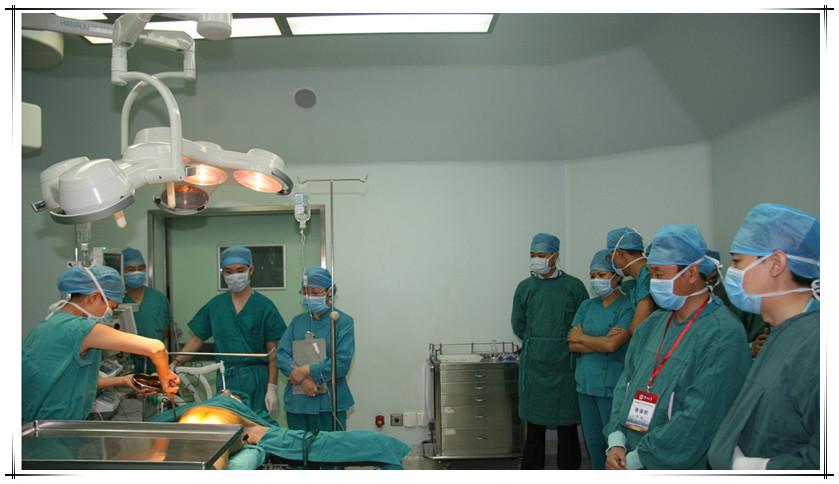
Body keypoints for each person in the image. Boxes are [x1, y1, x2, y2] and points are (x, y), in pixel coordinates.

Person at [603, 224, 751, 470]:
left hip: (679, 464)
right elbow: (625, 383)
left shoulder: (722, 334)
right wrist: (617, 439)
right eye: (651, 274)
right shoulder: (653, 325)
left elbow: (700, 419)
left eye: (660, 274)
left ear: (692, 273)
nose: (654, 283)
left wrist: (640, 458)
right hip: (630, 450)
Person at [708, 203, 819, 470]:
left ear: (776, 264)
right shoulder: (783, 332)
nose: (732, 272)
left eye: (737, 262)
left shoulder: (816, 346)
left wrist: (758, 468)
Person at [22, 265, 179, 422]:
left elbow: (73, 382)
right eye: (111, 308)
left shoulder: (53, 323)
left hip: (45, 422)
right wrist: (165, 377)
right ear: (94, 297)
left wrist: (124, 380)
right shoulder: (78, 328)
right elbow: (156, 348)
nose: (110, 315)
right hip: (50, 425)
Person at [175, 246, 286, 415]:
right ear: (223, 273)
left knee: (256, 424)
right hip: (226, 377)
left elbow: (273, 352)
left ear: (251, 270)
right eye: (228, 271)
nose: (234, 276)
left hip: (257, 380)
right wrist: (175, 363)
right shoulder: (216, 305)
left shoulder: (264, 306)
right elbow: (196, 339)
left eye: (240, 270)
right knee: (228, 421)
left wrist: (272, 387)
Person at [512, 233, 589, 469]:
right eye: (533, 254)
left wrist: (558, 342)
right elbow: (518, 324)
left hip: (565, 367)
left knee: (567, 428)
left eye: (542, 254)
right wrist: (539, 341)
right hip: (534, 368)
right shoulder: (525, 288)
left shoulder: (574, 287)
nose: (537, 259)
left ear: (555, 256)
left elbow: (583, 323)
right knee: (534, 430)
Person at [567, 249, 634, 470]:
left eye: (602, 275)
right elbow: (572, 344)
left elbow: (612, 345)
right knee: (593, 442)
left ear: (616, 276)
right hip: (585, 384)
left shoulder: (627, 307)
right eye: (593, 275)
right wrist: (602, 342)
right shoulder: (587, 306)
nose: (596, 280)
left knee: (613, 443)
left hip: (612, 387)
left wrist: (584, 338)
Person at [277, 266, 355, 432]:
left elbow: (341, 364)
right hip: (298, 404)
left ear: (329, 292)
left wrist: (307, 370)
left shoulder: (343, 323)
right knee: (298, 447)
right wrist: (301, 379)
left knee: (330, 446)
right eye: (305, 292)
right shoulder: (297, 322)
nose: (309, 297)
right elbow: (282, 354)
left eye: (315, 292)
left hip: (329, 404)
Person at [705, 249, 768, 356]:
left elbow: (760, 344)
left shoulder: (743, 300)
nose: (731, 268)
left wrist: (750, 348)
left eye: (737, 261)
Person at [121, 246, 173, 374]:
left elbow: (165, 330)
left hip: (154, 360)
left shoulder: (158, 298)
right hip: (125, 361)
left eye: (141, 268)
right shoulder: (117, 299)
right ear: (121, 271)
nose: (137, 272)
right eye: (131, 269)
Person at [606, 227, 656, 334]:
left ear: (619, 254)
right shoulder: (636, 281)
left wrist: (623, 333)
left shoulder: (647, 275)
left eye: (611, 258)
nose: (613, 263)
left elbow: (638, 327)